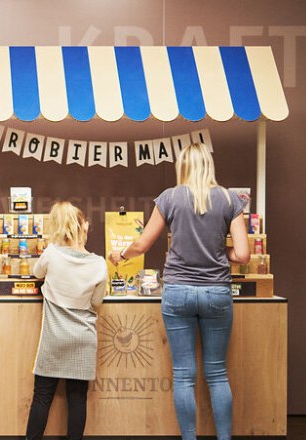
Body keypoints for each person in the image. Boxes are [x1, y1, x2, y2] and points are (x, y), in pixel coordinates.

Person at [109, 142, 249, 440]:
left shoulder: (170, 198)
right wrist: (217, 254)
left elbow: (142, 244)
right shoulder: (229, 199)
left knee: (184, 375)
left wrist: (120, 256)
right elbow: (244, 254)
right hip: (216, 292)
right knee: (217, 374)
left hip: (178, 292)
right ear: (209, 165)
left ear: (182, 166)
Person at [25, 201, 106, 440]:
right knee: (77, 398)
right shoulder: (99, 264)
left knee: (42, 396)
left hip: (54, 338)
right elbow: (98, 302)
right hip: (83, 338)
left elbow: (36, 273)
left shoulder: (51, 254)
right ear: (85, 227)